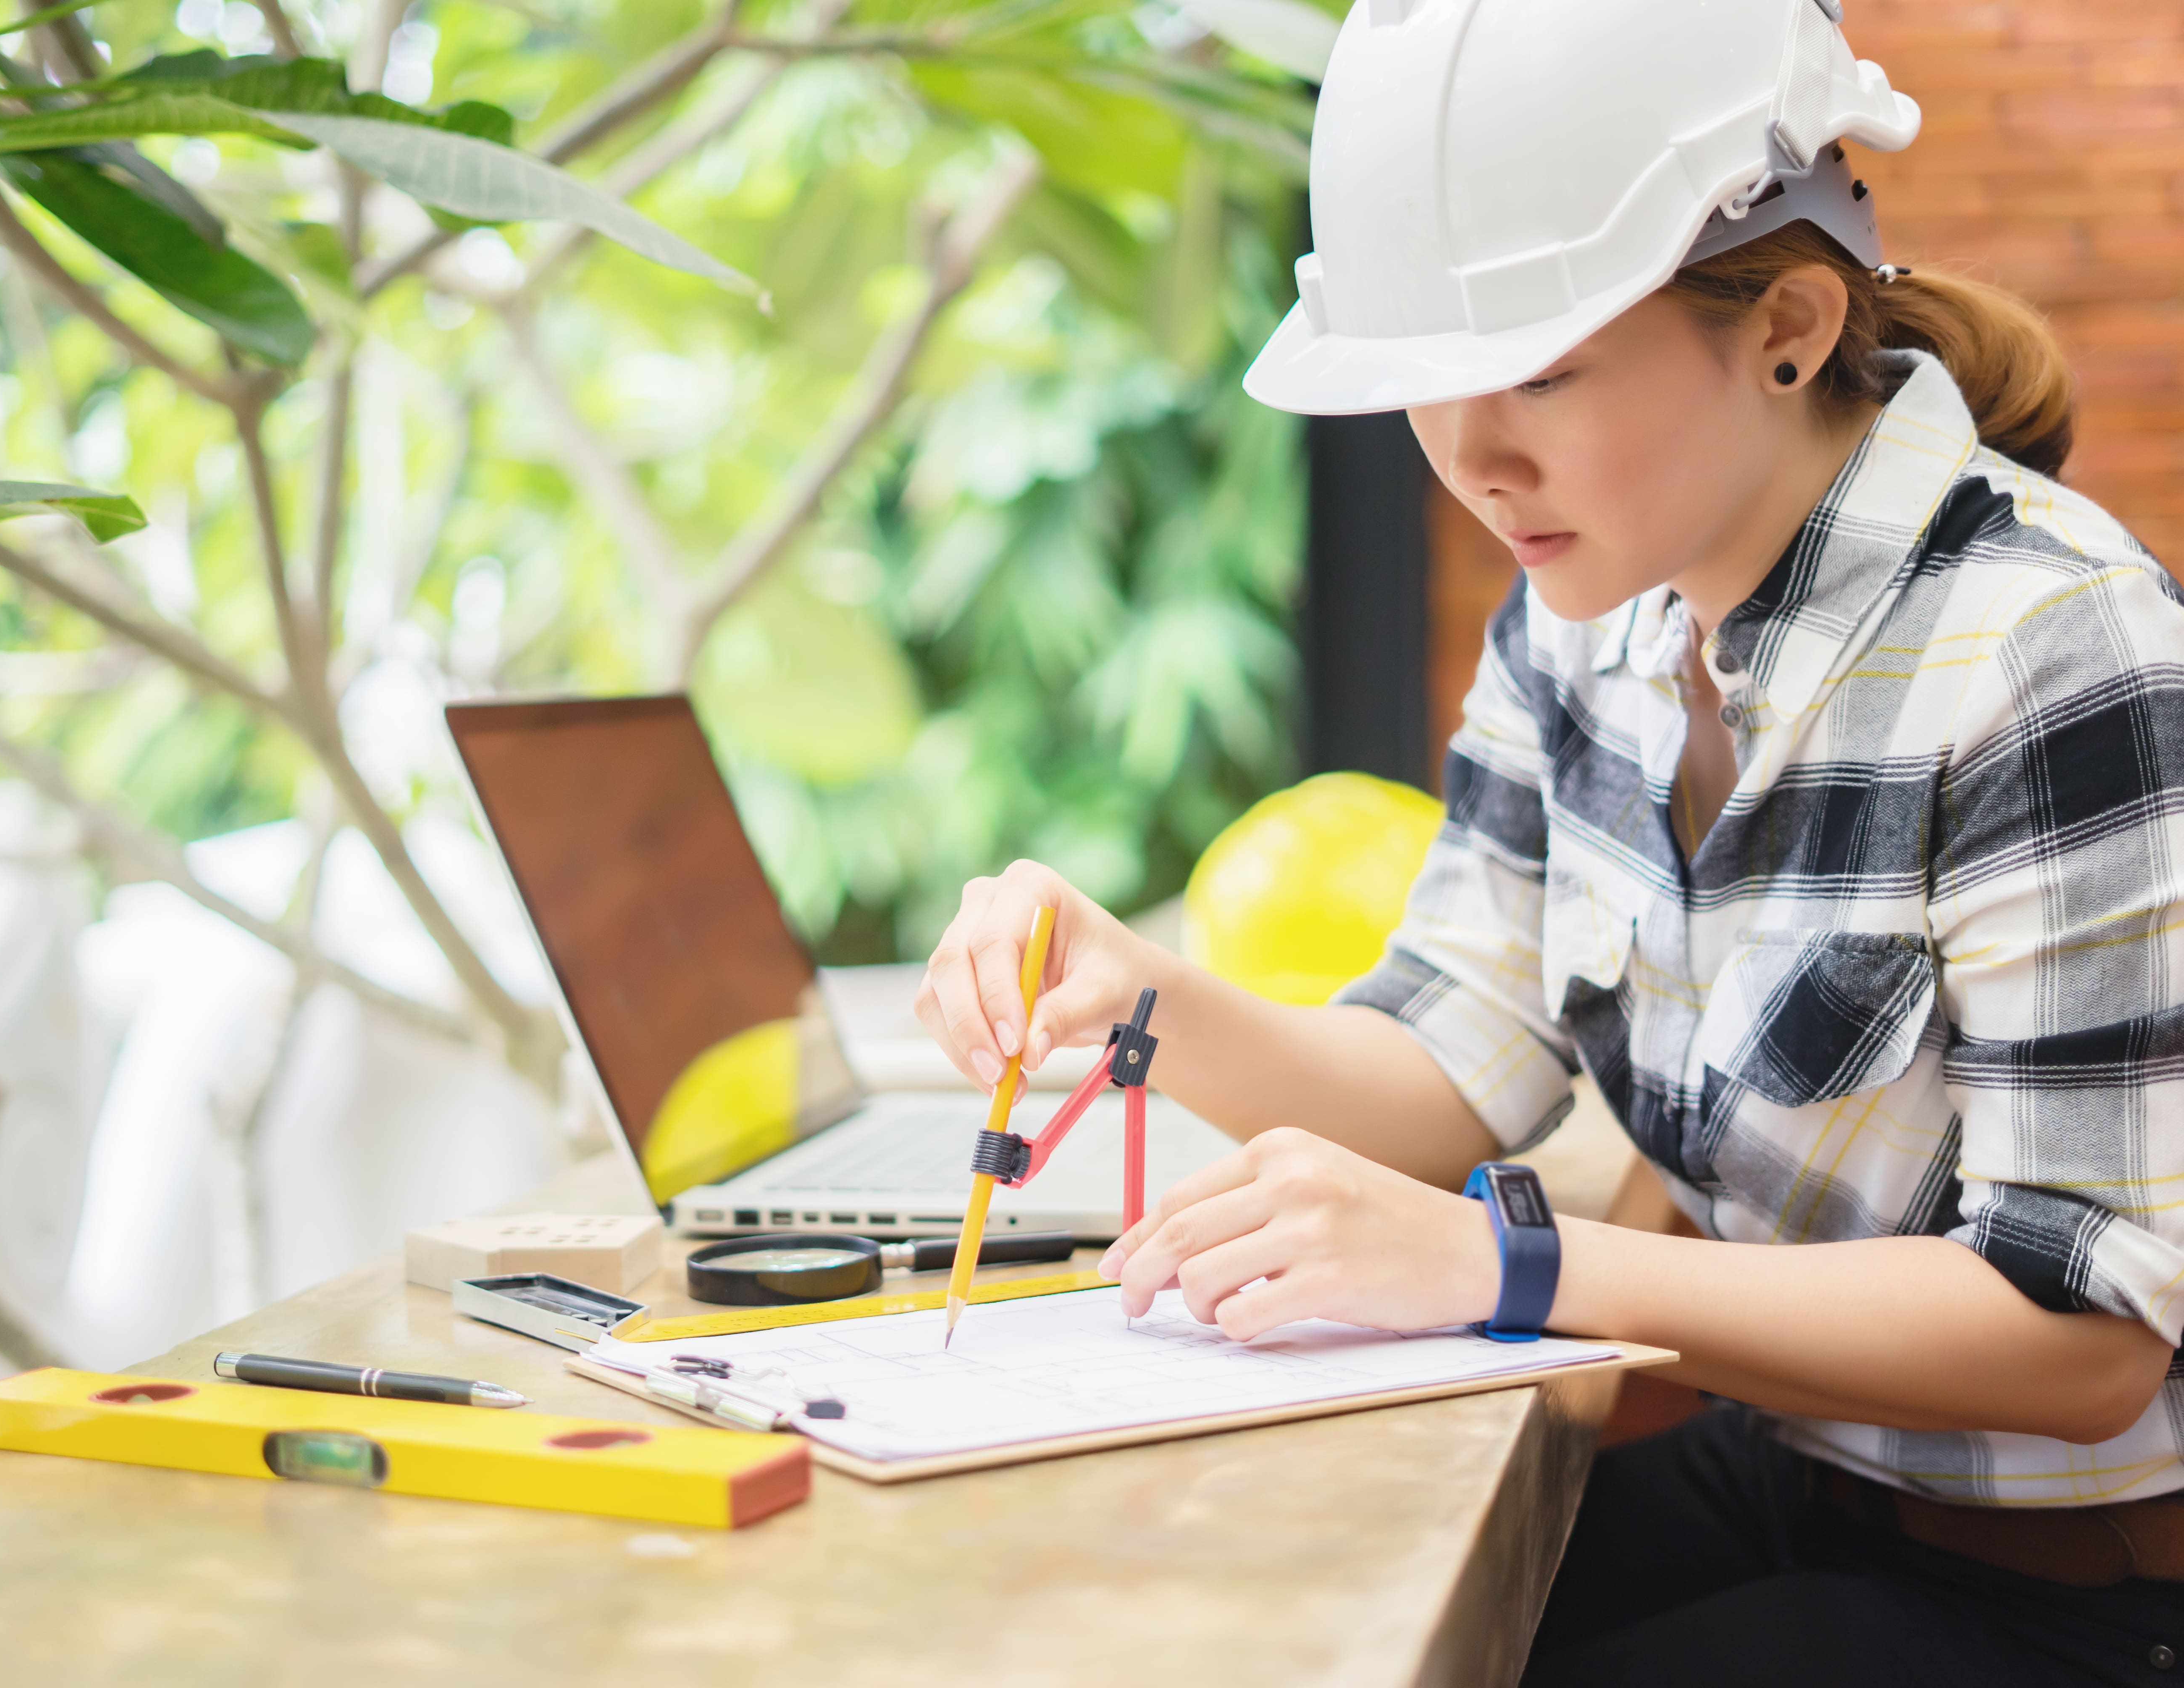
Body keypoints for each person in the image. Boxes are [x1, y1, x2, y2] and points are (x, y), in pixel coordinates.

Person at [911, 3, 2184, 1682]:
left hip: (2075, 1584)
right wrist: (1140, 990)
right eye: (1430, 390)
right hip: (1814, 1472)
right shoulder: (1582, 620)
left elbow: (2083, 1329)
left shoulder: (2057, 651)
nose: (1474, 461)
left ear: (1791, 325)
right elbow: (1451, 1063)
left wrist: (1506, 1264)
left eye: (1540, 372)